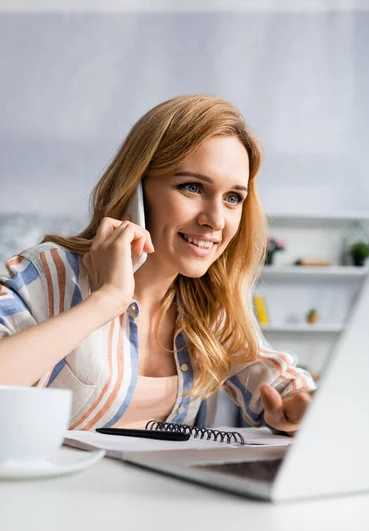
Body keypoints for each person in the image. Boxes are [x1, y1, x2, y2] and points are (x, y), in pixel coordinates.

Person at [0, 94, 315, 434]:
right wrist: (107, 299)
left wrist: (298, 404)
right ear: (136, 190)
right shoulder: (48, 272)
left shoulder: (209, 302)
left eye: (232, 198)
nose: (216, 220)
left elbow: (277, 381)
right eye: (192, 187)